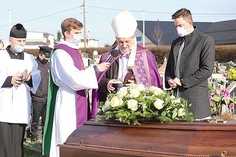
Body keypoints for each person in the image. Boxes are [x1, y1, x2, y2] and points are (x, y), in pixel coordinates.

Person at [42, 18, 109, 157]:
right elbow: (72, 78)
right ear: (66, 33)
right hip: (68, 99)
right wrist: (95, 70)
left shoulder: (74, 50)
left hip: (78, 97)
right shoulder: (61, 53)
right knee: (67, 134)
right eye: (76, 32)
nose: (79, 36)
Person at [92, 10, 162, 117]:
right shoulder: (109, 56)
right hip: (113, 105)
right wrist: (107, 83)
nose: (124, 45)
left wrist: (137, 85)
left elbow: (153, 83)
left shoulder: (146, 55)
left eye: (127, 41)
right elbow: (98, 80)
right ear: (116, 39)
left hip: (138, 107)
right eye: (120, 42)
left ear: (133, 38)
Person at [0, 23, 41, 157]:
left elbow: (36, 76)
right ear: (10, 40)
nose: (21, 44)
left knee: (17, 145)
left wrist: (28, 78)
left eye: (23, 41)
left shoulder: (29, 59)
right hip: (3, 108)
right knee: (2, 147)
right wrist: (9, 80)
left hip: (20, 108)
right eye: (18, 41)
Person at [164, 8, 215, 120]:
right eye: (176, 26)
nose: (178, 29)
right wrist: (169, 80)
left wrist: (183, 82)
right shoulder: (176, 43)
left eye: (180, 25)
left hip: (196, 104)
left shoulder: (205, 41)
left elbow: (207, 70)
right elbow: (169, 68)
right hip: (176, 104)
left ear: (190, 23)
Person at [29, 46, 52, 142]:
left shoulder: (49, 65)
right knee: (35, 119)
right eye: (44, 57)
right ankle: (33, 136)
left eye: (47, 57)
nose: (46, 59)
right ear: (40, 54)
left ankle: (44, 137)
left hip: (47, 96)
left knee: (45, 119)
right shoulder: (34, 64)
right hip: (37, 97)